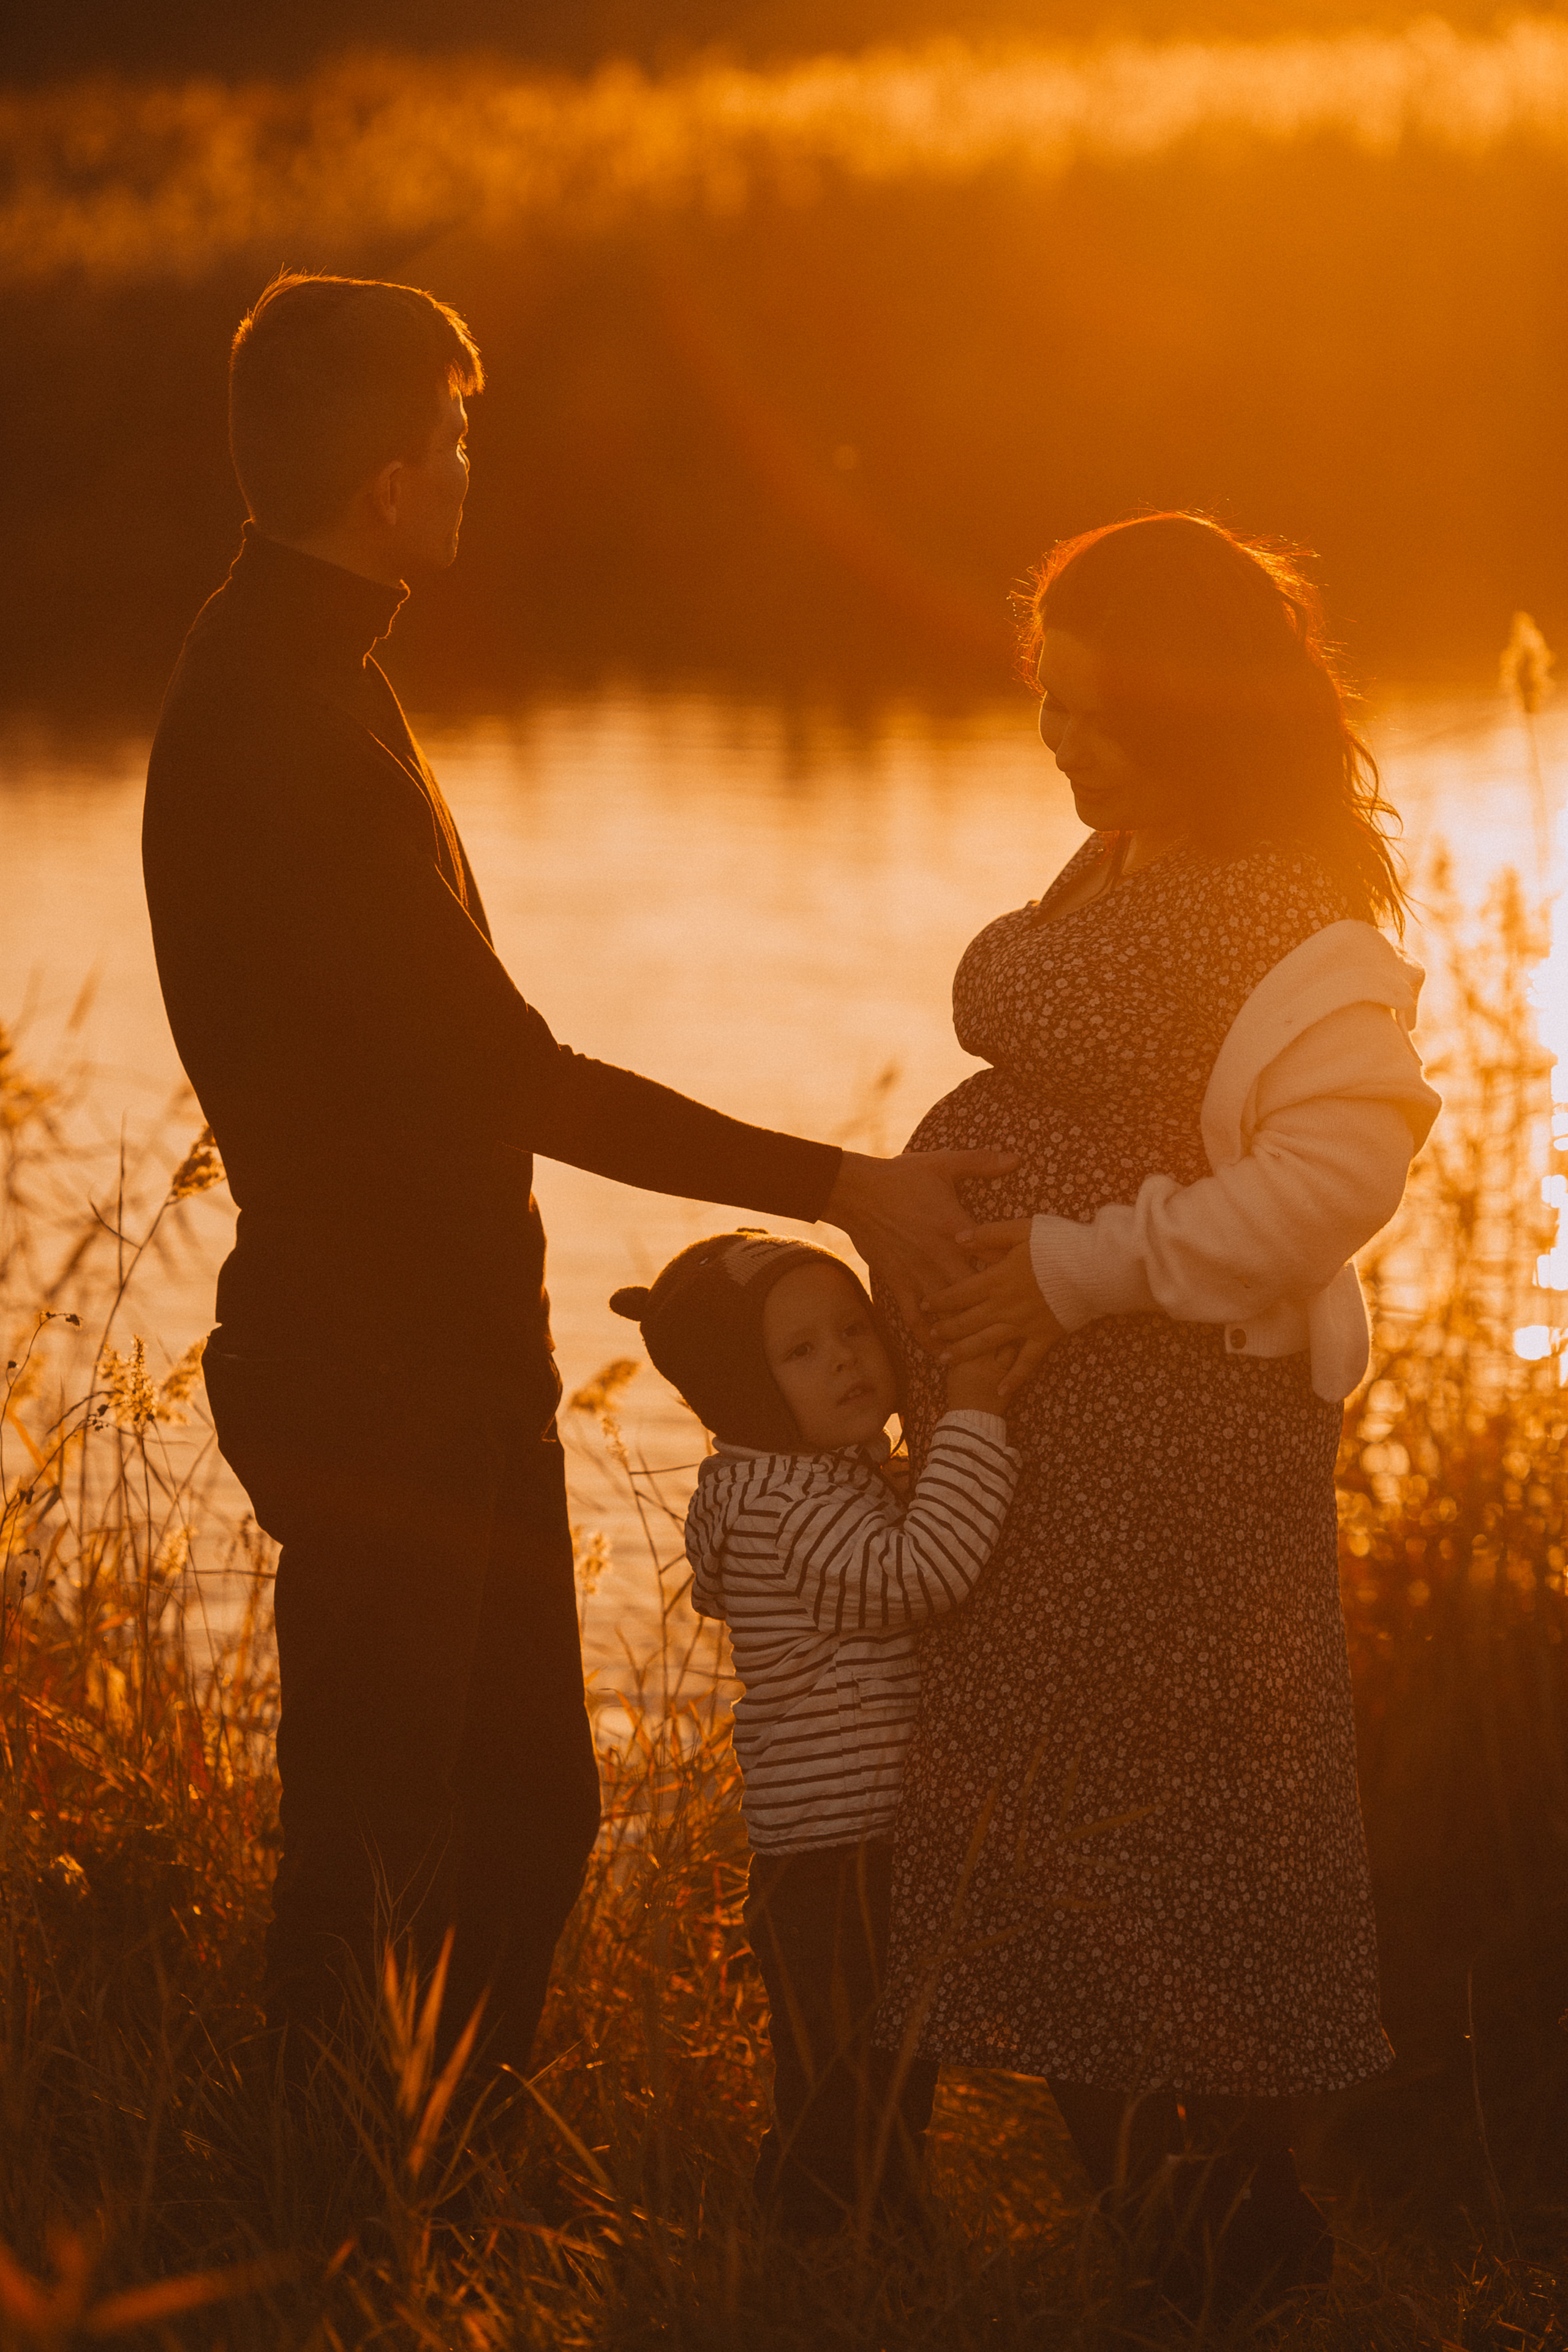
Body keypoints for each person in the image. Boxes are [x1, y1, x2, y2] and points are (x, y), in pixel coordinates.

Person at [140, 271, 1010, 2087]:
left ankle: (444, 2174)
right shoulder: (282, 727)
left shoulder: (313, 671)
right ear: (390, 482)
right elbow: (510, 1075)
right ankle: (344, 2198)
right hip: (375, 1379)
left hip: (451, 1362)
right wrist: (841, 1185)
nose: (473, 468)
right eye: (456, 438)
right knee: (384, 1842)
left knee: (524, 1811)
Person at [870, 514, 1442, 2316]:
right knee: (1040, 1824)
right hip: (1034, 1463)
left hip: (1179, 1466)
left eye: (1100, 712)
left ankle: (1232, 2235)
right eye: (1049, 698)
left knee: (1187, 1837)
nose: (1060, 740)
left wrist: (1068, 1269)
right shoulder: (1118, 857)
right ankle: (1173, 2231)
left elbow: (1337, 1179)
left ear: (1198, 712)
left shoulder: (1299, 922)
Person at [610, 1230, 1019, 2232]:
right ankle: (821, 2242)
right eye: (800, 1352)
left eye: (852, 1329)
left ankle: (874, 2230)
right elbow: (923, 1573)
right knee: (844, 2075)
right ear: (744, 1392)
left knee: (880, 2062)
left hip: (842, 1842)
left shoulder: (789, 1480)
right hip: (840, 1852)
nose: (844, 1359)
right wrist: (974, 1410)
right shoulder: (786, 1505)